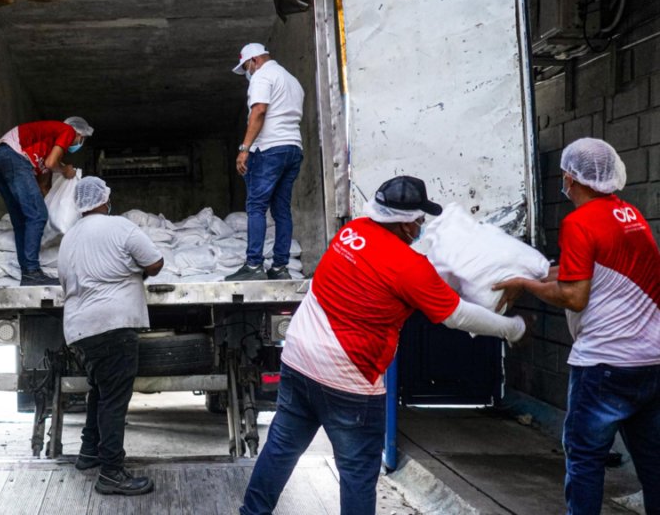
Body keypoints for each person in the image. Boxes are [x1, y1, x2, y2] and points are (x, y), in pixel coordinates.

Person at [240, 175, 527, 515]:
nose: (421, 226)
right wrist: (511, 328)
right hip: (349, 377)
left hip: (299, 357)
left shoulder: (351, 232)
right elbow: (457, 316)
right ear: (406, 225)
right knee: (357, 472)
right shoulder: (409, 267)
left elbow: (381, 266)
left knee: (281, 448)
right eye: (419, 219)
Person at [493, 138, 659, 515]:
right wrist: (533, 273)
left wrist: (526, 286)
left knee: (585, 460)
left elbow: (574, 295)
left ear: (572, 178)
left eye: (565, 177)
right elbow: (587, 270)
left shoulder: (579, 222)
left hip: (603, 365)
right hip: (651, 362)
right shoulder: (630, 216)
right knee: (653, 462)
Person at [58, 176, 165, 496]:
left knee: (100, 392)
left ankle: (89, 452)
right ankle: (111, 473)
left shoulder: (69, 237)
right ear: (104, 199)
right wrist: (135, 270)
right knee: (114, 401)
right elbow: (155, 262)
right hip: (113, 325)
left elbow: (65, 280)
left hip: (79, 329)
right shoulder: (119, 226)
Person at [225, 43, 305, 282]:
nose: (247, 73)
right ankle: (280, 267)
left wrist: (244, 148)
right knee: (281, 210)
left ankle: (253, 265)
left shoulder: (262, 76)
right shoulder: (292, 80)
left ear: (255, 60)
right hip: (293, 148)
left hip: (269, 149)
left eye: (246, 67)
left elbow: (259, 110)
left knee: (256, 206)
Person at [0, 116, 94, 286]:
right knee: (37, 215)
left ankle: (28, 274)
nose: (79, 143)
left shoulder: (44, 151)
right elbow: (52, 163)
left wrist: (53, 209)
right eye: (82, 139)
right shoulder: (68, 131)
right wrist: (65, 170)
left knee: (22, 220)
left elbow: (42, 187)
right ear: (80, 134)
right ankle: (32, 271)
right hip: (12, 155)